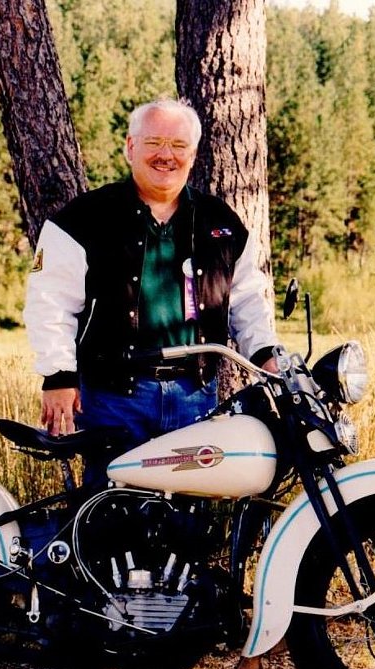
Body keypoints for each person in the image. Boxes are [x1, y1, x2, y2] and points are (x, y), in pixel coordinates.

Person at [23, 97, 279, 483]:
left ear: (193, 155)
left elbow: (247, 301)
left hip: (196, 396)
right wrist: (58, 375)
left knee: (189, 517)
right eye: (154, 143)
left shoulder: (220, 223)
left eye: (178, 146)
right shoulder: (84, 219)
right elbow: (50, 303)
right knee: (112, 512)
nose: (166, 156)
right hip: (115, 398)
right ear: (130, 147)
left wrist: (267, 358)